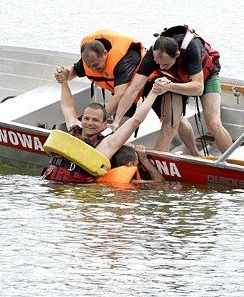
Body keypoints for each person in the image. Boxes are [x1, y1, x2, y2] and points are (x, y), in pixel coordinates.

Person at [54, 28, 197, 143]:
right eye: (90, 66)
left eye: (96, 65)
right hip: (126, 94)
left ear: (104, 54)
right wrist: (64, 74)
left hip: (147, 84)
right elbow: (74, 71)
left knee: (175, 121)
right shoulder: (90, 59)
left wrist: (101, 121)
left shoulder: (123, 60)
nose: (94, 69)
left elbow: (122, 95)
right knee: (117, 134)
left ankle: (193, 151)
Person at [112, 25, 233, 154]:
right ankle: (170, 160)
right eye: (158, 64)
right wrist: (117, 121)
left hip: (206, 78)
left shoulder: (191, 48)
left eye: (165, 64)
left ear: (177, 55)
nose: (161, 68)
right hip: (176, 81)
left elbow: (198, 88)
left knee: (213, 123)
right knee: (169, 123)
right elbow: (133, 90)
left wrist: (169, 86)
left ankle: (233, 161)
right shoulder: (153, 56)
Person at [42, 71, 164, 184]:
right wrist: (64, 83)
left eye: (95, 120)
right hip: (48, 183)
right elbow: (68, 107)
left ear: (104, 124)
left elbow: (136, 120)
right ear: (81, 119)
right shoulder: (74, 129)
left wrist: (154, 92)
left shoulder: (106, 144)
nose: (89, 123)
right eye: (86, 118)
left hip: (75, 190)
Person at [97, 144, 165, 185]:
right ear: (130, 165)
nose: (138, 166)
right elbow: (160, 182)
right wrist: (144, 159)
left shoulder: (103, 173)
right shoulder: (133, 182)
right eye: (137, 163)